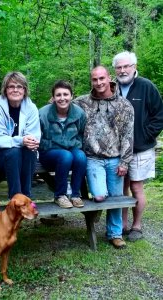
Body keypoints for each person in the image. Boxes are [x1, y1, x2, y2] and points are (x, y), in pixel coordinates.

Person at [73, 66, 134, 249]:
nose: (98, 83)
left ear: (109, 78)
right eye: (94, 79)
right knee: (99, 196)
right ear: (91, 81)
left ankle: (114, 234)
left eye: (101, 78)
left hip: (115, 158)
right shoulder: (82, 102)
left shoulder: (124, 105)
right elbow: (61, 103)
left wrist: (124, 161)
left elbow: (128, 135)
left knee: (116, 197)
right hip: (92, 158)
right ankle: (96, 215)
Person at [112, 51, 163, 241]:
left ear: (134, 67)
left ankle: (137, 226)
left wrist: (145, 135)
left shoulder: (146, 86)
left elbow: (159, 116)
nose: (123, 70)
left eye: (126, 66)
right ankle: (123, 224)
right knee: (120, 188)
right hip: (116, 150)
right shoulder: (111, 88)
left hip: (141, 149)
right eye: (119, 67)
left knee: (136, 187)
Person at [0, 71, 41, 200]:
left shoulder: (31, 108)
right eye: (11, 86)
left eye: (19, 87)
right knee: (14, 152)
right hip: (1, 156)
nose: (15, 90)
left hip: (26, 156)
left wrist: (29, 140)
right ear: (5, 90)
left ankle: (26, 197)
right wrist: (21, 140)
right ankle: (16, 199)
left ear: (24, 90)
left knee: (29, 151)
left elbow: (34, 135)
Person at [39, 80, 87, 209]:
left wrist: (75, 144)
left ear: (71, 96)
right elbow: (38, 138)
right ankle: (60, 195)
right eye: (58, 95)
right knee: (65, 156)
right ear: (53, 97)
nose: (62, 98)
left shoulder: (79, 113)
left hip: (72, 148)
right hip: (48, 152)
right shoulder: (43, 113)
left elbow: (82, 133)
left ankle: (76, 195)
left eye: (65, 94)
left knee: (81, 156)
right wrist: (57, 145)